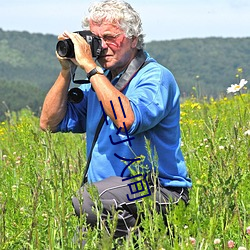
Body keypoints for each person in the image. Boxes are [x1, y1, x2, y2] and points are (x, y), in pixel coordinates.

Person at [40, 0, 192, 244]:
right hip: (110, 198)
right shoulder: (99, 83)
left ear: (133, 39)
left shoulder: (155, 77)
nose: (102, 47)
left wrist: (90, 67)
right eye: (96, 39)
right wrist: (66, 70)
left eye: (110, 37)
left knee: (88, 200)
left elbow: (126, 119)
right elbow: (49, 122)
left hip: (159, 189)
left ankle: (144, 240)